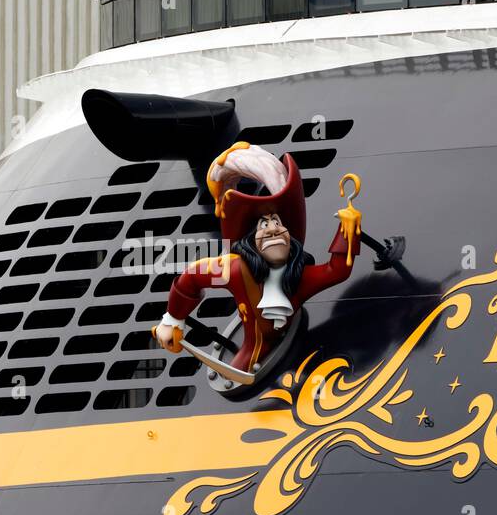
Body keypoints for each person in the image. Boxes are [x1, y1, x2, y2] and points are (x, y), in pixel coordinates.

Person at [151, 143, 362, 372]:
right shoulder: (232, 270)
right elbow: (191, 278)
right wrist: (172, 319)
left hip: (276, 338)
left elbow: (336, 271)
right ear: (250, 242)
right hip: (253, 341)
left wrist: (348, 229)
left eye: (278, 224)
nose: (273, 230)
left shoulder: (299, 278)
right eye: (264, 225)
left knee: (246, 363)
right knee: (244, 362)